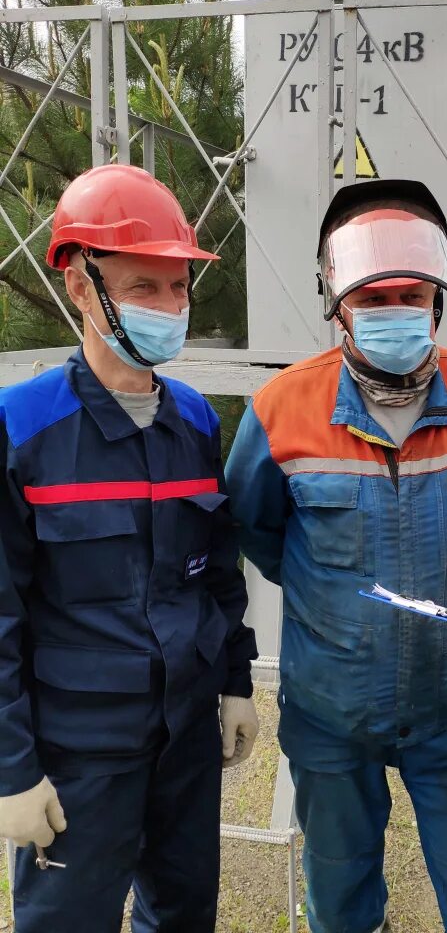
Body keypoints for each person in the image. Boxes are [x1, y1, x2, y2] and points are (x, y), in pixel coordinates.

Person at [226, 179, 447, 933]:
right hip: (329, 712)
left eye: (411, 294)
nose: (395, 311)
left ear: (436, 298)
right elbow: (259, 531)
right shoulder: (280, 409)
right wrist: (336, 605)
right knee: (339, 898)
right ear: (335, 301)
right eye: (374, 298)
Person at [0, 164, 259, 932]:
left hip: (183, 740)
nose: (171, 307)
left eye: (179, 287)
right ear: (81, 287)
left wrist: (236, 681)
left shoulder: (194, 421)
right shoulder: (21, 429)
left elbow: (217, 568)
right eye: (144, 288)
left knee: (183, 914)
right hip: (79, 752)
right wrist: (12, 769)